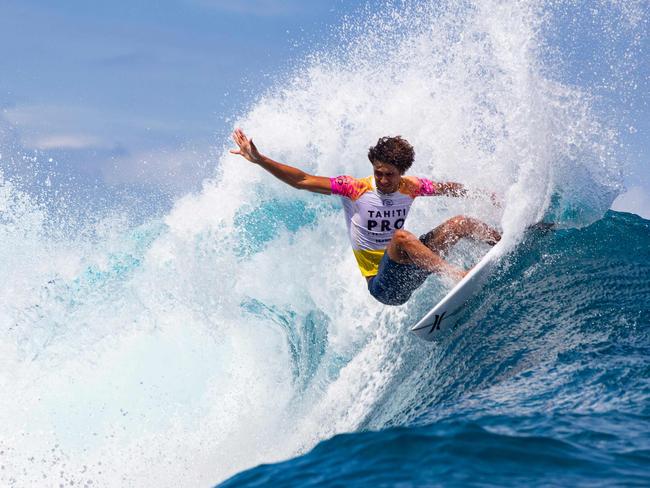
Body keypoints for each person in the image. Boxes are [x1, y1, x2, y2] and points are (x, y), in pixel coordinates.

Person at [230, 128, 501, 305]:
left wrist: (481, 193)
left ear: (402, 172)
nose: (382, 179)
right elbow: (302, 180)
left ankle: (506, 241)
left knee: (462, 223)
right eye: (378, 172)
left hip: (413, 269)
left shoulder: (412, 187)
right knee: (401, 237)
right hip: (384, 285)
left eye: (389, 174)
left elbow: (447, 188)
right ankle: (457, 276)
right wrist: (260, 159)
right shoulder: (355, 189)